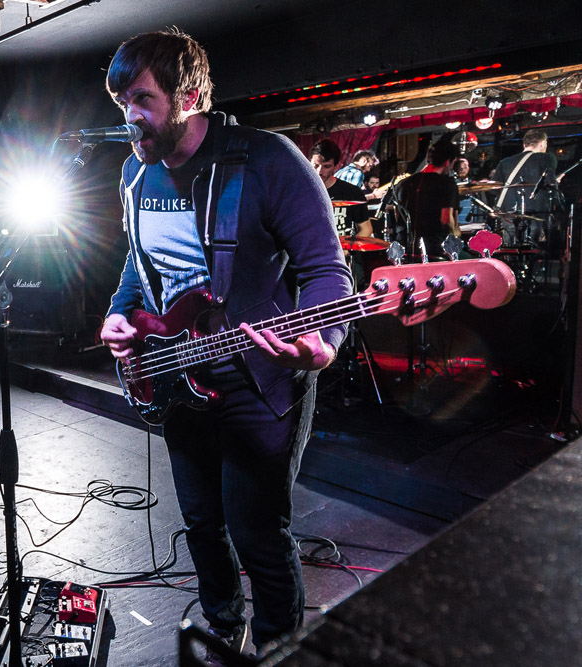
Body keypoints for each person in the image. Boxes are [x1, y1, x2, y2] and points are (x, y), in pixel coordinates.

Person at [98, 30, 352, 661]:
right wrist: (119, 313)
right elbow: (140, 258)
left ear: (191, 95)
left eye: (141, 98)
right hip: (178, 372)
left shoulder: (267, 160)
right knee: (202, 526)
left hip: (259, 380)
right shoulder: (135, 169)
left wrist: (322, 341)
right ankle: (220, 628)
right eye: (119, 100)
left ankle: (277, 647)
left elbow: (327, 270)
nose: (128, 116)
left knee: (258, 533)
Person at [489, 128, 561, 247]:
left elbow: (493, 189)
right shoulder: (547, 158)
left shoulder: (505, 162)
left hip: (508, 212)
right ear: (542, 143)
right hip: (535, 211)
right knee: (531, 249)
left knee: (510, 249)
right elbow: (550, 182)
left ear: (524, 144)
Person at [394, 138, 461, 257]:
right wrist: (456, 234)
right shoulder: (447, 183)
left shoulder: (403, 183)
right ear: (448, 162)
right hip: (435, 248)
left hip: (405, 248)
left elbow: (398, 215)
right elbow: (446, 219)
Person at [310, 139, 372, 238]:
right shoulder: (300, 193)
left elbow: (366, 229)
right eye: (316, 165)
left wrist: (347, 250)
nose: (319, 171)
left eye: (326, 166)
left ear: (335, 167)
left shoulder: (352, 192)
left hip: (341, 251)